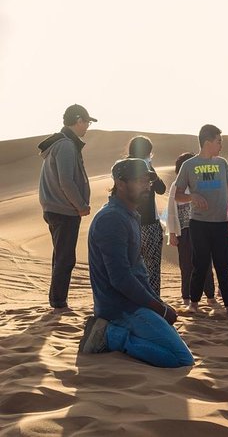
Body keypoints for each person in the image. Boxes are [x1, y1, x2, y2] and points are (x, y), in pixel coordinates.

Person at [78, 158, 194, 368]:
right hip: (121, 310)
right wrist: (159, 309)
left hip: (135, 304)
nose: (147, 187)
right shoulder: (111, 219)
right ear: (120, 184)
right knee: (181, 359)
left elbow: (136, 272)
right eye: (140, 181)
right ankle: (108, 335)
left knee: (174, 347)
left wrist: (158, 305)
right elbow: (120, 278)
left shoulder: (128, 214)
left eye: (148, 181)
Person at [38, 104, 97, 314]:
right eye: (87, 122)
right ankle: (58, 302)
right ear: (78, 120)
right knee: (65, 258)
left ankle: (57, 299)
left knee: (61, 256)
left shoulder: (61, 144)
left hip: (57, 208)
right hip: (64, 210)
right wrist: (80, 205)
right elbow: (66, 181)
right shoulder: (65, 146)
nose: (87, 127)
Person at [175, 124, 228, 318]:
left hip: (220, 223)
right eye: (219, 141)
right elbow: (177, 195)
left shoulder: (222, 163)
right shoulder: (188, 165)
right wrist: (192, 196)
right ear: (208, 142)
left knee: (222, 265)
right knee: (200, 264)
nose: (221, 145)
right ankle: (193, 304)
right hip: (199, 223)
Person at [166, 152, 216, 305]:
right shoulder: (176, 185)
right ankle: (186, 297)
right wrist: (172, 234)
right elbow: (171, 210)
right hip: (185, 231)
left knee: (206, 263)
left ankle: (210, 296)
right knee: (186, 264)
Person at [127, 136, 166, 296]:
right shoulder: (145, 166)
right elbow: (161, 188)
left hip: (128, 223)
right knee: (152, 267)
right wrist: (149, 166)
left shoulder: (123, 167)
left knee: (131, 266)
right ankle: (153, 299)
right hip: (148, 224)